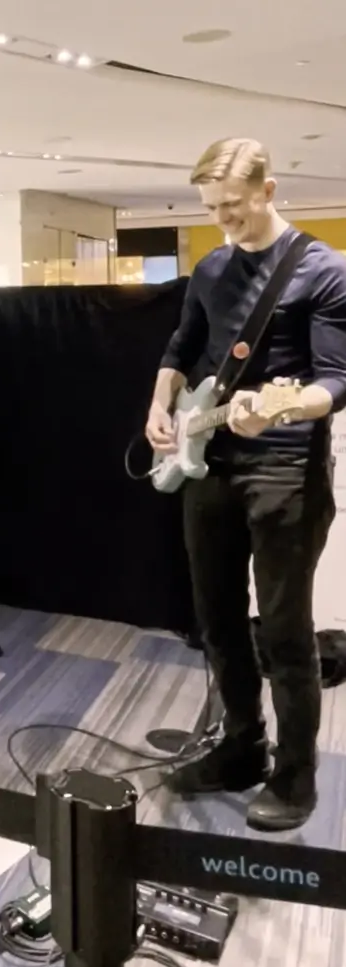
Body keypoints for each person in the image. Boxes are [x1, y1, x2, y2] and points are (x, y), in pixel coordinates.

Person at [146, 138, 346, 832]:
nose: (224, 219)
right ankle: (241, 748)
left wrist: (285, 405)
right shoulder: (210, 266)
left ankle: (296, 780)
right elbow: (182, 348)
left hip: (285, 471)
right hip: (211, 467)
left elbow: (336, 381)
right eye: (211, 208)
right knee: (219, 623)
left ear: (268, 189)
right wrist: (158, 406)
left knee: (286, 635)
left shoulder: (324, 270)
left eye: (233, 206)